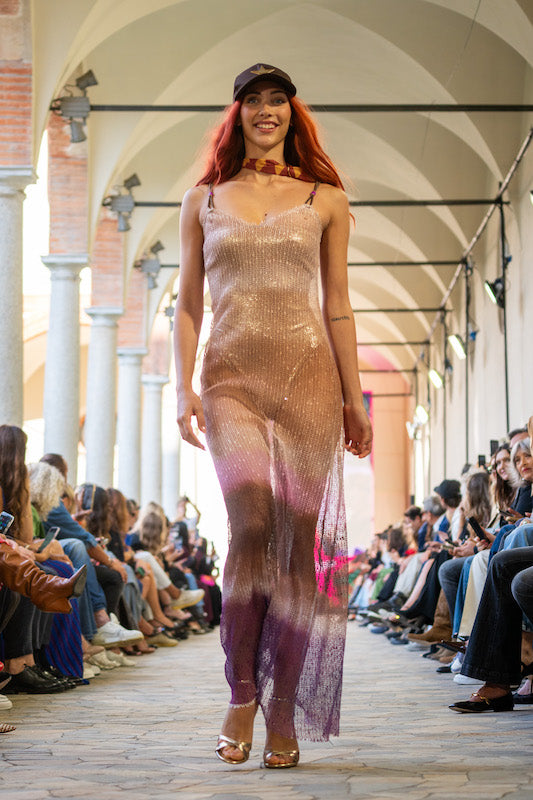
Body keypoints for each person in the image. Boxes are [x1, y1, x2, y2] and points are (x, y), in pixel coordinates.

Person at [174, 63, 372, 768]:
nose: (266, 110)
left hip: (309, 384)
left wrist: (353, 397)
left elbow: (337, 304)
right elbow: (188, 303)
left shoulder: (325, 199)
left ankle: (281, 704)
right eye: (253, 100)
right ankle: (240, 690)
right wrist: (181, 388)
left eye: (277, 100)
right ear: (237, 114)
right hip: (229, 382)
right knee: (252, 523)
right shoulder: (202, 200)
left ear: (292, 112)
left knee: (296, 545)